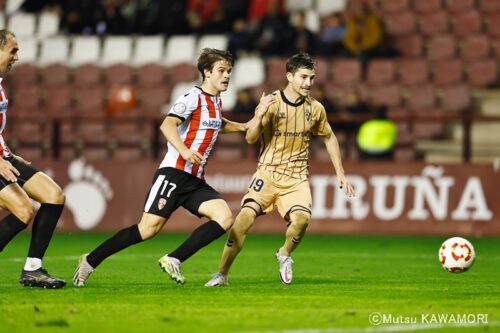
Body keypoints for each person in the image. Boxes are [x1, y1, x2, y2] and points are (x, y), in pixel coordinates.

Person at [73, 48, 246, 286]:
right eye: (222, 71)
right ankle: (90, 261)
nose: (227, 76)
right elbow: (167, 125)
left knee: (225, 218)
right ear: (206, 72)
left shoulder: (215, 100)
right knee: (147, 230)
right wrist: (185, 151)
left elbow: (218, 125)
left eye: (229, 71)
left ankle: (174, 258)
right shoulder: (192, 97)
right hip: (173, 174)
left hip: (194, 179)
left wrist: (245, 127)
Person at [205, 52, 355, 287]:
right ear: (289, 76)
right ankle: (222, 274)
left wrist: (340, 173)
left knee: (302, 220)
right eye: (303, 77)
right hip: (267, 174)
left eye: (312, 78)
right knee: (243, 219)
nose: (308, 83)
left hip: (296, 178)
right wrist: (259, 114)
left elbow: (329, 137)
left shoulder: (315, 109)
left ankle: (284, 254)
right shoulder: (271, 104)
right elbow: (251, 138)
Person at [0, 29, 66, 289]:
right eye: (12, 50)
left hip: (3, 155)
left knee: (54, 196)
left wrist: (8, 153)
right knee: (23, 210)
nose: (17, 56)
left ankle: (33, 270)